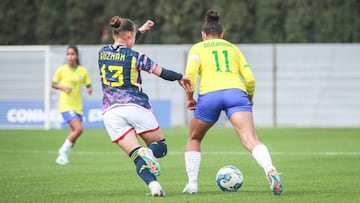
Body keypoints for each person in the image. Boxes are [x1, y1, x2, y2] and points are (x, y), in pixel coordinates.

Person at [182, 9, 283, 195]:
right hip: (236, 94)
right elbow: (250, 79)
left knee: (194, 138)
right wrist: (249, 97)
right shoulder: (233, 48)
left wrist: (190, 98)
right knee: (250, 139)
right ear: (222, 34)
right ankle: (269, 168)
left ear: (203, 35)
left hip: (209, 96)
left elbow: (189, 77)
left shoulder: (197, 48)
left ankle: (192, 184)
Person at [98, 16, 192, 197]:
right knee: (160, 147)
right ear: (128, 34)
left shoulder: (102, 52)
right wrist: (180, 76)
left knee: (136, 155)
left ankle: (154, 186)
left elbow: (123, 45)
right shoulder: (136, 57)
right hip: (135, 107)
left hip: (110, 112)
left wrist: (139, 30)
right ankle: (149, 152)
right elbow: (162, 72)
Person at [51, 45, 93, 165]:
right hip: (66, 105)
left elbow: (88, 84)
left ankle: (62, 158)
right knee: (79, 129)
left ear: (77, 56)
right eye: (68, 54)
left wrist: (89, 89)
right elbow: (53, 84)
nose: (70, 56)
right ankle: (62, 151)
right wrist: (62, 87)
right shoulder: (62, 70)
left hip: (77, 106)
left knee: (73, 133)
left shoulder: (82, 71)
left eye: (72, 54)